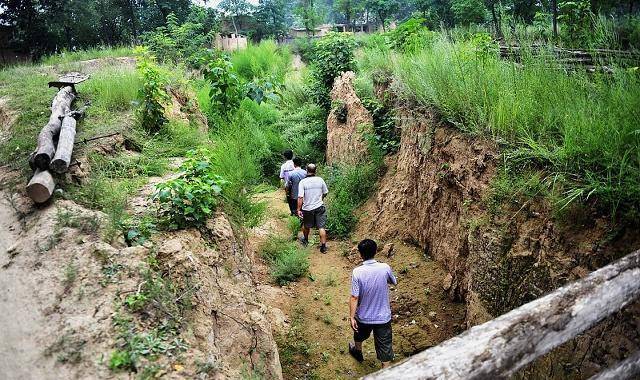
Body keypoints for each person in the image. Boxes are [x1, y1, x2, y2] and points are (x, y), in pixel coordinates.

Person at [348, 239, 397, 368]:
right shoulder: (385, 267)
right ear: (376, 251)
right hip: (383, 317)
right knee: (385, 347)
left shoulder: (357, 272)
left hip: (364, 316)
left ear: (360, 254)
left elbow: (354, 297)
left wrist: (352, 317)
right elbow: (394, 282)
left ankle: (358, 352)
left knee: (359, 334)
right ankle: (385, 372)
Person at [297, 163, 329, 253]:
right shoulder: (320, 180)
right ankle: (323, 247)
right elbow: (325, 192)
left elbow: (300, 197)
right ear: (315, 171)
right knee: (321, 227)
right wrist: (321, 198)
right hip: (319, 206)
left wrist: (298, 209)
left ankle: (306, 240)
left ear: (307, 170)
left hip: (307, 208)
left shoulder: (303, 182)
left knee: (306, 226)